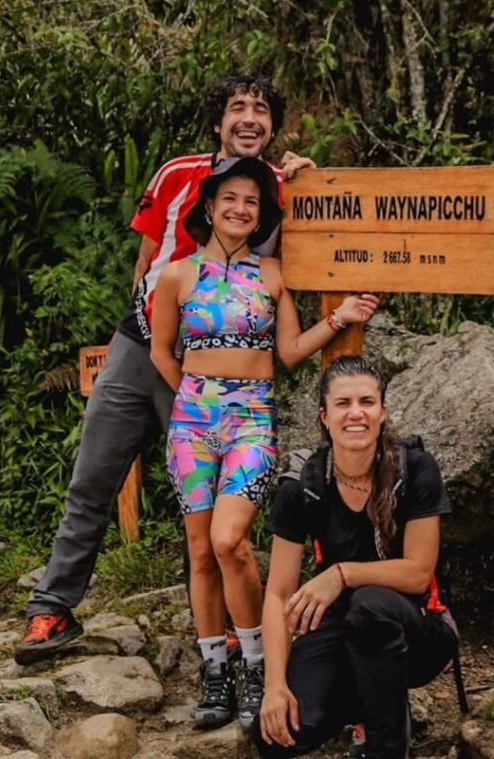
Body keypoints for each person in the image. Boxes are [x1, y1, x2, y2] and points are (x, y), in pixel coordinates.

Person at [15, 72, 314, 666]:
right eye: (237, 108)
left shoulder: (283, 187)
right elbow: (147, 256)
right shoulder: (178, 173)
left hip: (224, 367)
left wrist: (310, 178)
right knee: (93, 475)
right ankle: (53, 607)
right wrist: (147, 326)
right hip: (143, 345)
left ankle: (226, 627)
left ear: (273, 127)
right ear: (219, 122)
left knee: (210, 498)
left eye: (260, 110)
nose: (248, 118)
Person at [150, 158, 381, 731]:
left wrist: (341, 317)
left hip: (253, 415)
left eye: (251, 202)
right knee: (201, 551)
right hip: (193, 421)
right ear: (210, 206)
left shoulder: (273, 274)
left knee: (231, 541)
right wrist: (194, 403)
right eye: (230, 198)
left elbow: (291, 351)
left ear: (260, 215)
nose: (239, 209)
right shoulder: (177, 276)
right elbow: (161, 350)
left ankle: (256, 665)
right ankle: (215, 673)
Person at [251, 355, 459, 759]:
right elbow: (277, 594)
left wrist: (342, 574)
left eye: (367, 402)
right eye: (343, 404)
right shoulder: (304, 486)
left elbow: (418, 573)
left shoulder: (415, 469)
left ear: (383, 412)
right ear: (325, 417)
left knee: (369, 606)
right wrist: (275, 686)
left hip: (420, 629)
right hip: (342, 630)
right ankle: (364, 702)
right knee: (279, 736)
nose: (356, 414)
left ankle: (387, 746)